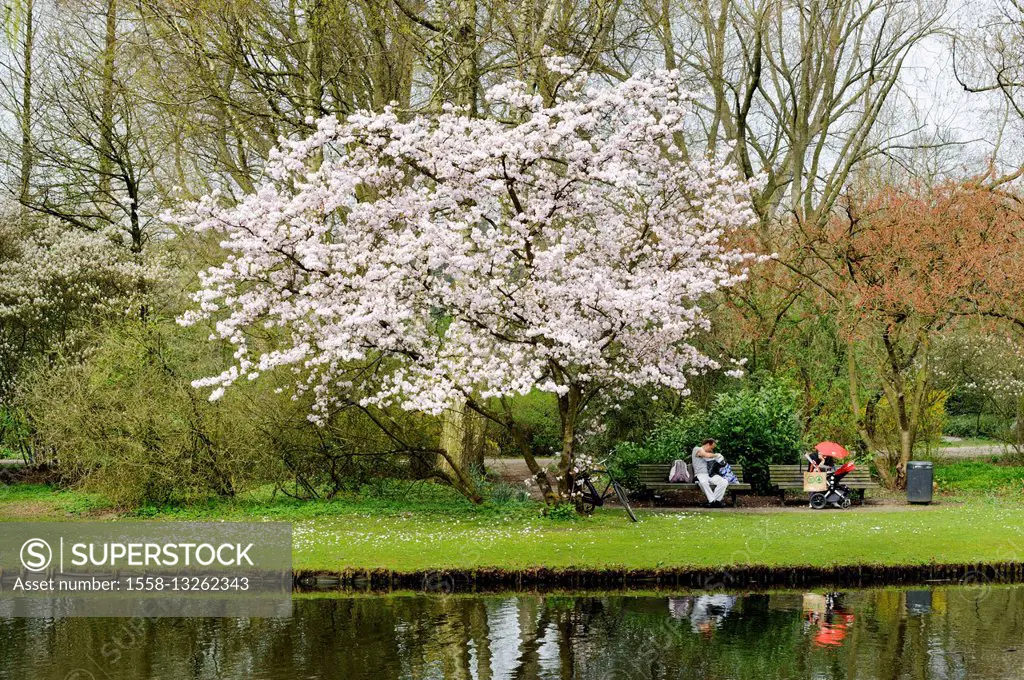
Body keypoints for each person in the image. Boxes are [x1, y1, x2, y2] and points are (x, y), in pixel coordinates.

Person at [692, 438, 728, 507]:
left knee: (724, 482)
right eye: (712, 447)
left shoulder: (710, 453)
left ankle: (715, 501)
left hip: (710, 474)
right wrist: (717, 455)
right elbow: (704, 454)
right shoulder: (697, 449)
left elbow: (715, 464)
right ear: (708, 444)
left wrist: (720, 460)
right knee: (703, 482)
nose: (712, 450)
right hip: (700, 474)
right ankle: (712, 501)